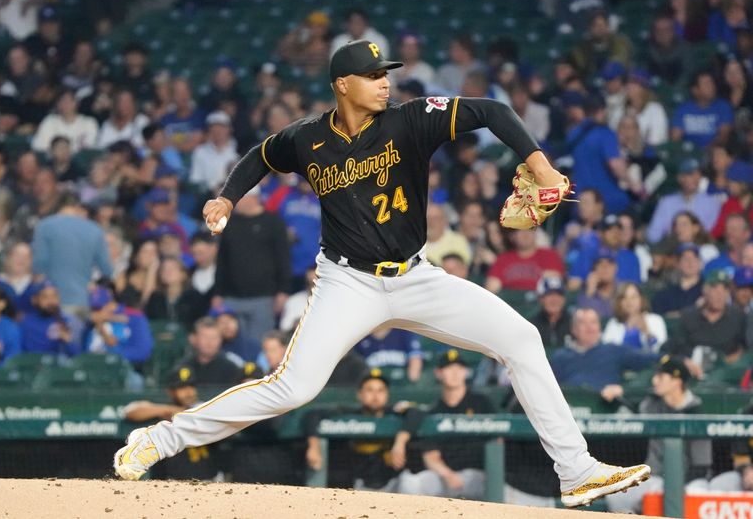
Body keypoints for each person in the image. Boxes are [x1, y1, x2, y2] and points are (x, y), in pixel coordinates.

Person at [116, 39, 651, 507]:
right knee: (293, 389)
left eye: (386, 74)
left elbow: (491, 110)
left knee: (522, 338)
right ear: (342, 85)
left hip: (417, 278)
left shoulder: (410, 119)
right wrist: (227, 197)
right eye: (373, 76)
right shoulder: (308, 139)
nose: (383, 83)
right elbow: (261, 154)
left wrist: (540, 166)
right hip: (347, 283)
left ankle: (576, 471)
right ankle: (158, 441)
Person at [606, 356, 711, 514]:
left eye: (661, 377)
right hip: (655, 478)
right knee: (617, 495)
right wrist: (622, 391)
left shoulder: (695, 411)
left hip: (691, 482)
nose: (655, 381)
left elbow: (701, 465)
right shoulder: (652, 404)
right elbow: (634, 402)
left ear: (677, 381)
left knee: (696, 497)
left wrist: (673, 488)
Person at [304, 368, 422, 491]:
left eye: (381, 390)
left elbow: (416, 411)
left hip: (392, 483)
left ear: (387, 395)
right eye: (370, 390)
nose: (375, 395)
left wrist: (400, 442)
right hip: (359, 484)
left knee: (409, 482)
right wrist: (314, 446)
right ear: (360, 394)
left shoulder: (394, 413)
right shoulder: (350, 413)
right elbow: (313, 414)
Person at [399, 350, 495, 499]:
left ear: (465, 372)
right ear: (438, 373)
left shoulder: (482, 403)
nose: (455, 373)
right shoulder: (434, 410)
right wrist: (447, 474)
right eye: (449, 368)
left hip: (479, 476)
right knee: (410, 483)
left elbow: (498, 441)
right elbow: (431, 455)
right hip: (445, 476)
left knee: (493, 483)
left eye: (459, 368)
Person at [213, 187, 291, 344]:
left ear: (252, 198)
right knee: (231, 344)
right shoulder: (228, 224)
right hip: (231, 297)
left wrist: (283, 291)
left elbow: (283, 259)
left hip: (263, 297)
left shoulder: (273, 222)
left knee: (259, 344)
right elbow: (222, 261)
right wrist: (218, 293)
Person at [124, 366, 223, 481]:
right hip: (174, 482)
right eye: (182, 387)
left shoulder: (203, 407)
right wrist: (168, 410)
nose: (188, 392)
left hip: (211, 479)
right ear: (171, 391)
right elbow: (130, 411)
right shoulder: (165, 409)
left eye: (191, 386)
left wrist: (181, 414)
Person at [31, 194, 113, 316]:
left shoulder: (44, 226)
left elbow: (39, 265)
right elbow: (107, 269)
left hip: (50, 302)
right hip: (80, 299)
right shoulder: (95, 230)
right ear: (78, 207)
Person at [550, 307, 658, 391]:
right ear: (573, 329)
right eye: (583, 323)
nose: (589, 327)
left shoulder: (614, 351)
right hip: (572, 409)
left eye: (593, 322)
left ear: (599, 327)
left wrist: (624, 389)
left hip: (608, 411)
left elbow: (652, 361)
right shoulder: (560, 357)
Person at [673, 269, 748, 371]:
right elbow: (676, 348)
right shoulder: (689, 317)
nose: (720, 295)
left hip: (727, 372)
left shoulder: (739, 317)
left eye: (724, 290)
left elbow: (748, 349)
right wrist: (687, 362)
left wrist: (734, 359)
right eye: (715, 289)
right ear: (705, 290)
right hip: (693, 370)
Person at [646, 159, 722, 245]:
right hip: (673, 248)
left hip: (700, 249)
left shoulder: (711, 203)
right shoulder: (667, 202)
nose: (695, 178)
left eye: (697, 174)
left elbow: (710, 233)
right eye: (690, 174)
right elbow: (653, 235)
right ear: (680, 178)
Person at [84, 282, 153, 371]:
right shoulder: (91, 322)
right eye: (94, 309)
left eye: (101, 308)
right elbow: (83, 352)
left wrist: (113, 353)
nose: (98, 312)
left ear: (111, 302)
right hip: (92, 370)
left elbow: (143, 352)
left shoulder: (134, 317)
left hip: (124, 370)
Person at [485, 228, 565, 293]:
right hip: (510, 306)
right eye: (520, 230)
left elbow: (553, 287)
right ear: (512, 236)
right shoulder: (503, 259)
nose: (525, 233)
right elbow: (491, 288)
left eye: (530, 228)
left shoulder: (549, 256)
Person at [173, 317, 243, 388]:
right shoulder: (182, 367)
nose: (210, 342)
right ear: (193, 339)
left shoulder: (232, 369)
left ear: (221, 339)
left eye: (214, 337)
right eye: (205, 337)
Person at [671, 71, 734, 149]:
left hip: (714, 151)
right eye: (706, 84)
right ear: (695, 90)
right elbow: (675, 137)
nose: (712, 87)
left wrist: (707, 151)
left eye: (712, 83)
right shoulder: (684, 109)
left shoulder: (723, 107)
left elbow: (723, 136)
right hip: (688, 152)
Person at [19, 280, 82, 356]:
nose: (51, 301)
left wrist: (68, 340)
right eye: (45, 297)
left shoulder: (70, 321)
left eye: (54, 296)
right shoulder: (25, 323)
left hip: (59, 366)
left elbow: (79, 357)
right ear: (35, 300)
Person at [603, 283, 667, 353]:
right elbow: (606, 351)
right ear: (619, 302)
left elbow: (661, 350)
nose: (629, 301)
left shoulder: (656, 320)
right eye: (624, 298)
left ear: (641, 300)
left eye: (633, 297)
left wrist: (647, 332)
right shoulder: (613, 323)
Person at [31, 88, 98, 153]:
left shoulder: (89, 122)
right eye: (62, 101)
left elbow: (89, 148)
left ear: (76, 103)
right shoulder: (50, 121)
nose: (65, 104)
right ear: (57, 104)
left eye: (69, 101)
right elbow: (39, 146)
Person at [188, 111, 239, 195]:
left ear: (229, 129)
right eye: (214, 127)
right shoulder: (200, 151)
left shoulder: (236, 153)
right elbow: (195, 180)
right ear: (209, 130)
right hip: (206, 196)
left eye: (222, 127)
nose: (217, 131)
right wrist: (212, 189)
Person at [652, 243, 704, 318]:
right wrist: (693, 310)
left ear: (700, 262)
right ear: (678, 264)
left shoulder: (707, 290)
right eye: (685, 259)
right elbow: (659, 318)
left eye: (694, 258)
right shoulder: (666, 292)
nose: (690, 263)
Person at [354, 327, 423, 383]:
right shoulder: (360, 336)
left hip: (401, 383)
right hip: (374, 385)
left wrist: (412, 383)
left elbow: (415, 359)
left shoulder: (404, 332)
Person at [532, 275, 572, 349]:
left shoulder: (574, 323)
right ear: (541, 299)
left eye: (558, 295)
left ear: (564, 299)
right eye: (549, 294)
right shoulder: (532, 325)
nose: (554, 299)